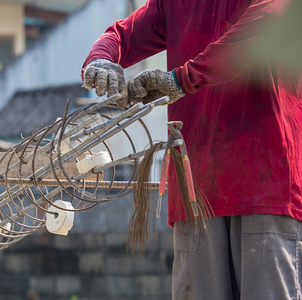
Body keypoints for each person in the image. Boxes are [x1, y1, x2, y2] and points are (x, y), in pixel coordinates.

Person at [81, 0, 302, 299]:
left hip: (263, 183)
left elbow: (261, 28)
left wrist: (181, 79)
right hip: (195, 187)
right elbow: (121, 35)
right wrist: (101, 59)